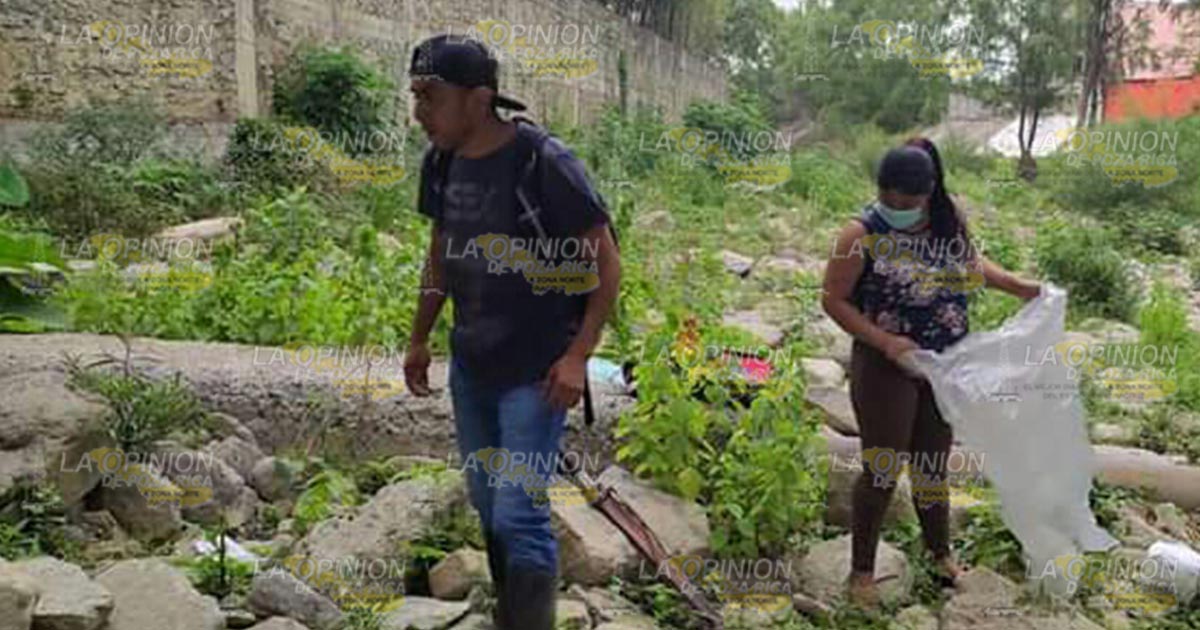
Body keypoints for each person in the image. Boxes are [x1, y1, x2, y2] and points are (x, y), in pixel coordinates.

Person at [402, 34, 621, 630]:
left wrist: (578, 357)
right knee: (487, 501)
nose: (419, 111)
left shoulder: (543, 163)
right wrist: (420, 336)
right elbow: (439, 257)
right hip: (472, 365)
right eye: (415, 95)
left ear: (479, 100)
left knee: (518, 514)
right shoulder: (441, 163)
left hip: (537, 372)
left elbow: (606, 267)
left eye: (430, 96)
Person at [821, 137, 1041, 607]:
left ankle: (941, 556)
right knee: (882, 467)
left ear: (930, 191)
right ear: (879, 190)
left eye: (909, 200)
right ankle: (862, 573)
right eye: (889, 199)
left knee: (931, 466)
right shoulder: (858, 234)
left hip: (945, 365)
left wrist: (1018, 287)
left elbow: (971, 264)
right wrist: (885, 342)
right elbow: (833, 299)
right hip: (886, 364)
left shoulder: (947, 217)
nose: (898, 207)